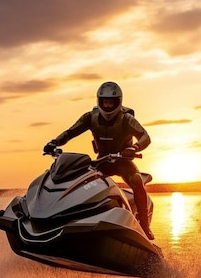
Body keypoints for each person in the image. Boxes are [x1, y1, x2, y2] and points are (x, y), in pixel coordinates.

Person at [43, 81, 154, 240]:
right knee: (82, 184)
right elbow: (70, 132)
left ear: (118, 102)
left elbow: (146, 137)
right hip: (101, 162)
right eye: (105, 102)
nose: (108, 106)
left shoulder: (126, 119)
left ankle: (144, 226)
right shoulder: (90, 117)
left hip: (123, 162)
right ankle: (72, 220)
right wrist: (55, 142)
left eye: (111, 102)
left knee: (136, 179)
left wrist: (135, 148)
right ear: (99, 101)